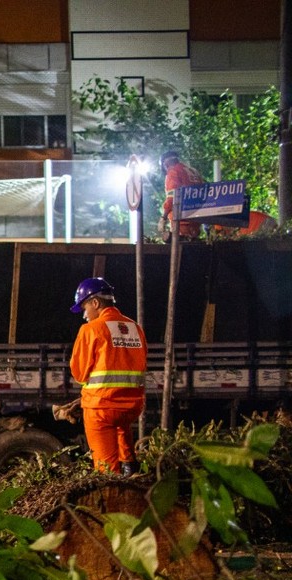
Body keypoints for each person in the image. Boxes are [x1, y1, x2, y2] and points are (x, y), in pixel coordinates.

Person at [69, 277, 147, 474]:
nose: (84, 315)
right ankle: (130, 466)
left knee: (106, 473)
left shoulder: (91, 329)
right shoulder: (135, 328)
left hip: (102, 408)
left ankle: (113, 491)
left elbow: (79, 373)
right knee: (122, 431)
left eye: (84, 308)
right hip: (131, 407)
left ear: (95, 303)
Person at [160, 150, 203, 239]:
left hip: (182, 221)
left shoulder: (173, 172)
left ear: (165, 163)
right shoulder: (193, 171)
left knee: (181, 248)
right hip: (197, 220)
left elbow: (172, 198)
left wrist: (163, 218)